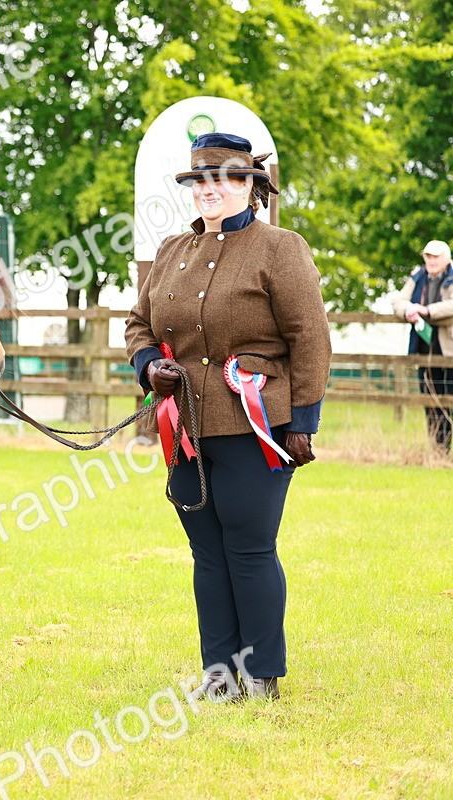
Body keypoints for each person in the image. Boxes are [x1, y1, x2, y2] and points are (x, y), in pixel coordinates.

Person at [125, 132, 332, 702]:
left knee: (249, 549)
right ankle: (219, 674)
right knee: (207, 555)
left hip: (257, 427)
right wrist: (148, 367)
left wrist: (303, 422)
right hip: (185, 429)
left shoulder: (280, 247)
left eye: (223, 178)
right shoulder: (171, 251)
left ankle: (261, 674)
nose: (209, 190)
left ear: (250, 186)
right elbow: (138, 323)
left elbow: (309, 336)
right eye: (199, 180)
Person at [392, 240, 453, 453]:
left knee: (448, 399)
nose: (432, 261)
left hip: (449, 351)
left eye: (436, 257)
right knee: (429, 399)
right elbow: (399, 301)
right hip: (424, 349)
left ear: (446, 258)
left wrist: (427, 310)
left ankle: (444, 449)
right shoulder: (418, 276)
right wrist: (410, 310)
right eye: (428, 256)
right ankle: (438, 450)